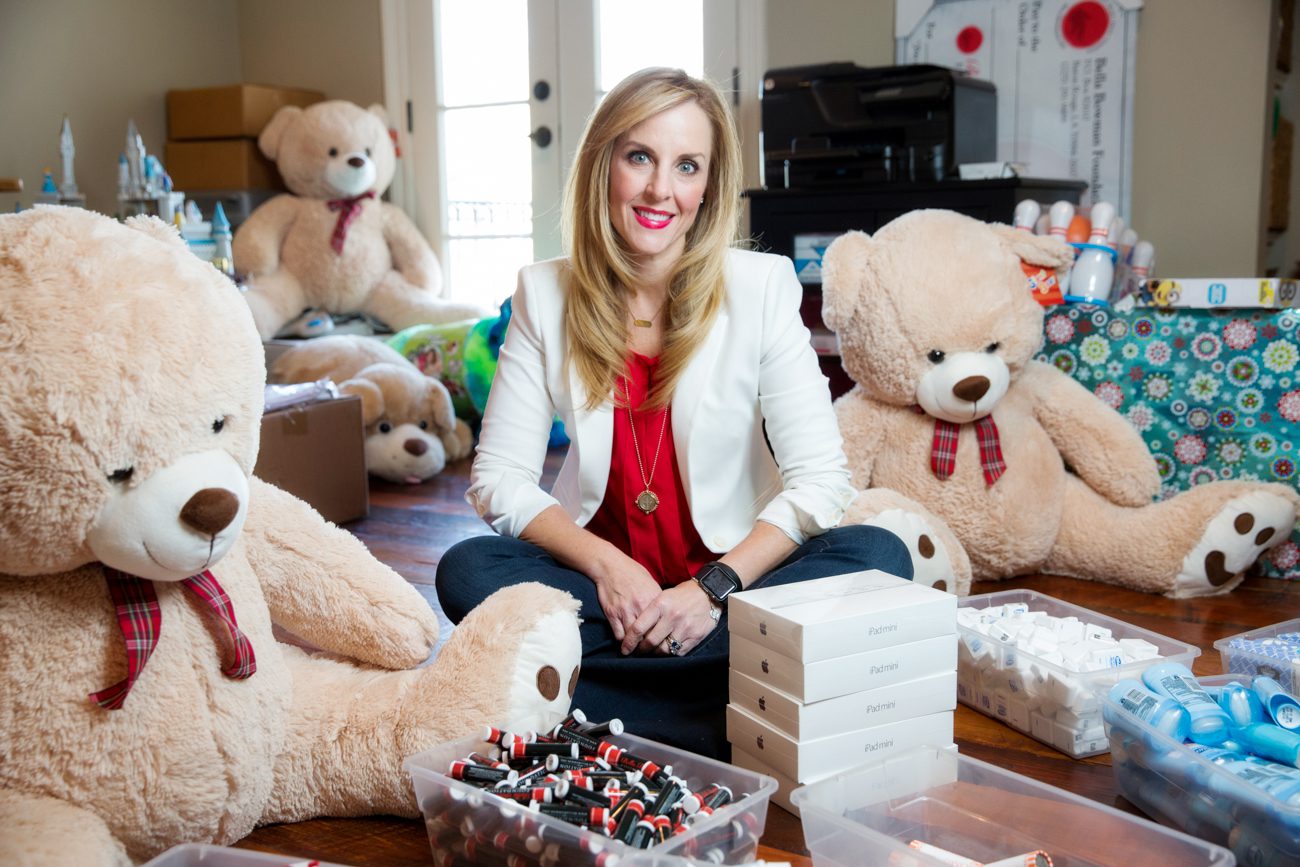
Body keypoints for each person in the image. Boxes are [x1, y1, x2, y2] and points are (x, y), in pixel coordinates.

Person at [436, 67, 912, 757]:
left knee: (879, 556)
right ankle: (731, 697)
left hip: (733, 582)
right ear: (603, 164)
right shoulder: (544, 294)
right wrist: (608, 566)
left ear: (708, 187)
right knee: (466, 570)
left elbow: (821, 482)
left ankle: (596, 698)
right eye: (640, 157)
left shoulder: (761, 286)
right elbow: (498, 480)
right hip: (607, 593)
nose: (661, 189)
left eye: (687, 166)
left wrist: (711, 590)